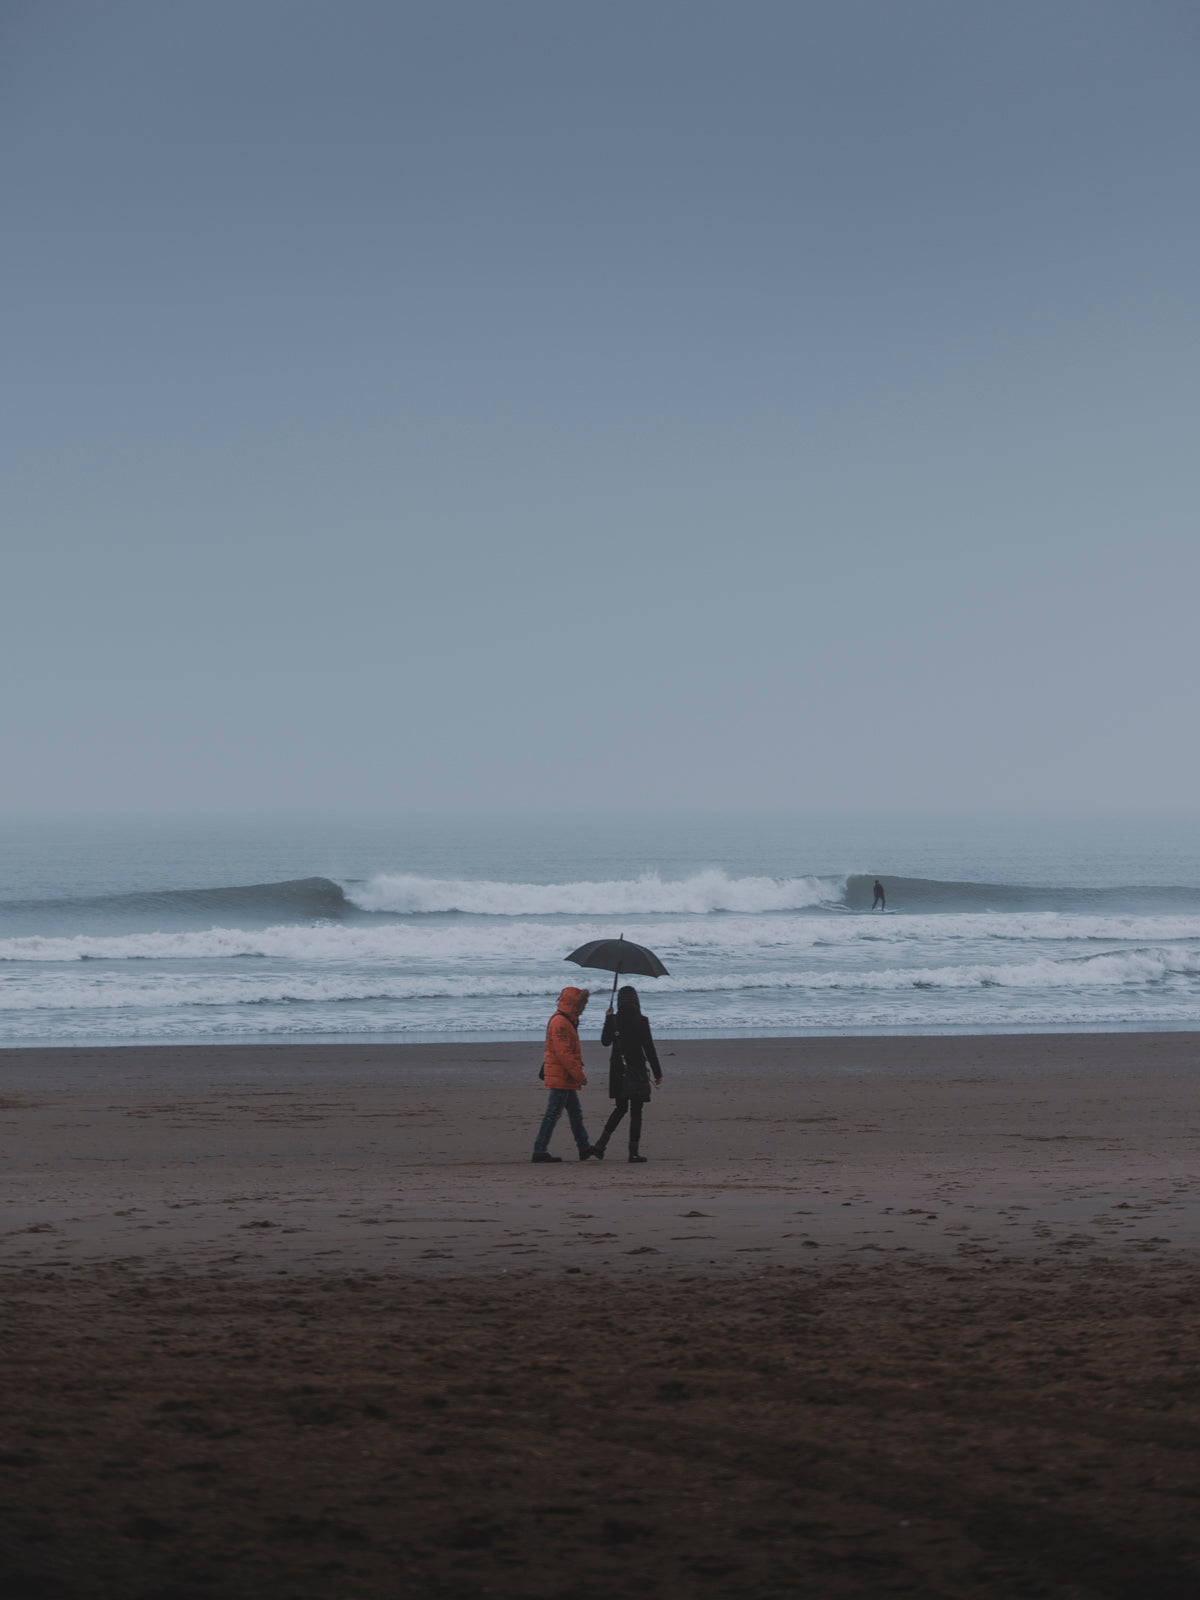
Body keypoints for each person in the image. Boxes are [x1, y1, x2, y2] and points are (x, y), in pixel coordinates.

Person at [592, 985, 662, 1164]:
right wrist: (657, 1072)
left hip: (618, 1070)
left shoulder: (614, 1020)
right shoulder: (641, 1020)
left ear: (619, 1001)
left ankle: (601, 1144)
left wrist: (608, 1019)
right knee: (636, 1112)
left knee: (620, 1108)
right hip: (636, 1069)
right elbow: (649, 1048)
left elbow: (605, 1042)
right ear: (636, 1001)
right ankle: (633, 1152)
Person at [532, 986, 595, 1163]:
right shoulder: (560, 1022)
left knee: (574, 1112)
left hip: (564, 1075)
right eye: (581, 1004)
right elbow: (563, 1053)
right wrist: (579, 1075)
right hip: (562, 1075)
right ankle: (539, 1150)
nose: (583, 1008)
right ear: (574, 1003)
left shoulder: (567, 1020)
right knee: (553, 1113)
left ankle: (583, 1147)